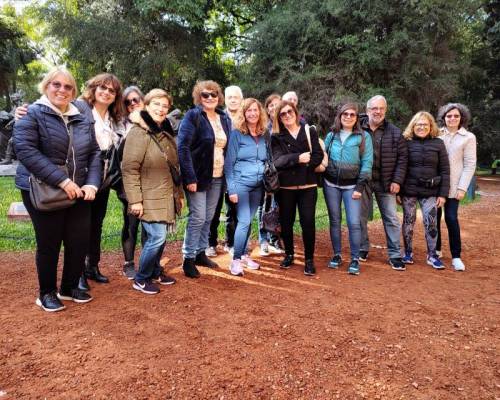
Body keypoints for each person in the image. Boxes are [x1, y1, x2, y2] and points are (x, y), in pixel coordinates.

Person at [13, 67, 101, 311]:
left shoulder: (82, 116)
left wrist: (92, 182)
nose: (62, 90)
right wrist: (63, 181)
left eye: (68, 86)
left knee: (78, 240)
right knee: (50, 242)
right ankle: (47, 292)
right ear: (46, 86)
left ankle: (69, 287)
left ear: (74, 92)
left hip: (80, 189)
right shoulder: (31, 114)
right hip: (44, 188)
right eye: (56, 85)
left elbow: (94, 152)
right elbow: (26, 151)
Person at [122, 89, 183, 294]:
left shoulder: (164, 131)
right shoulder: (139, 132)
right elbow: (130, 169)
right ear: (146, 106)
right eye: (156, 104)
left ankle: (155, 271)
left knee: (159, 237)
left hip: (166, 194)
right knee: (157, 236)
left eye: (165, 106)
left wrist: (179, 195)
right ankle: (141, 278)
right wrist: (135, 200)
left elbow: (174, 166)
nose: (161, 109)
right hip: (147, 196)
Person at [177, 80, 231, 278]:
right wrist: (189, 177)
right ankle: (188, 258)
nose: (210, 98)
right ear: (199, 97)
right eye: (205, 95)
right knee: (198, 217)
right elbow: (182, 147)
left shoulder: (223, 118)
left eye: (214, 94)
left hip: (217, 176)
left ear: (219, 97)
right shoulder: (193, 116)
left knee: (209, 217)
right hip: (197, 177)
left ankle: (200, 253)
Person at [78, 73, 125, 288]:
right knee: (80, 225)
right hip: (83, 175)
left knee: (96, 223)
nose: (106, 92)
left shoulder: (114, 118)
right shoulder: (80, 109)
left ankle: (92, 266)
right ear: (94, 89)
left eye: (111, 90)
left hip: (104, 177)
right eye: (102, 88)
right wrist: (23, 112)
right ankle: (76, 272)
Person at [271, 100, 323, 275]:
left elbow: (317, 155)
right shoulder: (276, 137)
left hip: (308, 185)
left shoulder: (310, 131)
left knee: (308, 222)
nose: (287, 115)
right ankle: (289, 254)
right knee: (286, 223)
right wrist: (298, 158)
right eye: (283, 114)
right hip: (286, 189)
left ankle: (309, 259)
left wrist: (302, 167)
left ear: (296, 112)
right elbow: (277, 161)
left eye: (289, 112)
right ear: (279, 117)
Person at [323, 103, 373, 275]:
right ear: (340, 116)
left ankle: (354, 258)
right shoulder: (331, 135)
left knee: (354, 222)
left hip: (352, 187)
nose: (349, 117)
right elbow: (323, 157)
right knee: (335, 221)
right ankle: (337, 255)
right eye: (345, 114)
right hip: (331, 185)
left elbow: (367, 164)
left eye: (352, 114)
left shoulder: (363, 137)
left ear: (356, 118)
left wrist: (360, 186)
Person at [359, 95, 408, 271]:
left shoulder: (395, 132)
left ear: (385, 110)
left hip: (386, 182)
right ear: (367, 110)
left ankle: (395, 255)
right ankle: (362, 248)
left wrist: (397, 180)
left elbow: (403, 159)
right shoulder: (357, 128)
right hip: (363, 181)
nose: (377, 111)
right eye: (374, 108)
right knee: (360, 217)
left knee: (391, 218)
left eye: (381, 108)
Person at [400, 112, 450, 269]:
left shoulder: (438, 143)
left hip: (430, 191)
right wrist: (399, 192)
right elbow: (401, 167)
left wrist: (443, 193)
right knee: (408, 222)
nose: (421, 127)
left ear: (431, 126)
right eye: (418, 124)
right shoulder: (406, 143)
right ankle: (407, 252)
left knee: (432, 223)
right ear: (413, 126)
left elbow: (445, 170)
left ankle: (432, 255)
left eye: (425, 125)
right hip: (409, 190)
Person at [224, 98, 268, 276]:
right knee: (243, 221)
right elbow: (229, 164)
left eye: (255, 110)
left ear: (260, 112)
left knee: (248, 220)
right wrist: (232, 189)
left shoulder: (264, 134)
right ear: (243, 113)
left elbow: (267, 158)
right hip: (241, 184)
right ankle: (235, 260)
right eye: (248, 110)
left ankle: (243, 254)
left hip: (258, 185)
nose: (252, 113)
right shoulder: (237, 134)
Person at [436, 103, 477, 271]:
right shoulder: (437, 134)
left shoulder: (468, 137)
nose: (452, 118)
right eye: (449, 116)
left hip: (454, 187)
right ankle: (436, 250)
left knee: (451, 218)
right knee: (434, 220)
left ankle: (456, 256)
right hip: (436, 186)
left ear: (462, 118)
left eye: (456, 116)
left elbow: (470, 164)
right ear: (444, 118)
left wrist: (462, 188)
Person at [206, 85, 242, 257]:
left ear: (241, 99)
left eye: (236, 97)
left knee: (234, 209)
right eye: (230, 97)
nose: (233, 100)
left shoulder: (246, 118)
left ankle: (232, 242)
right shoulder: (218, 117)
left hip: (238, 172)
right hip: (218, 170)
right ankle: (210, 242)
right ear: (224, 99)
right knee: (214, 207)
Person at [116, 86, 146, 279]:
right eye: (128, 102)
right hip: (129, 182)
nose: (133, 104)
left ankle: (148, 259)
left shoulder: (154, 121)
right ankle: (128, 263)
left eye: (136, 100)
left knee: (150, 224)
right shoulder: (121, 125)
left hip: (151, 182)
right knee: (131, 222)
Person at [258, 93, 284, 256]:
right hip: (268, 174)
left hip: (283, 174)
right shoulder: (264, 128)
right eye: (271, 105)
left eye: (277, 104)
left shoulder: (285, 126)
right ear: (267, 109)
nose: (274, 107)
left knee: (278, 208)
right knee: (265, 207)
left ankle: (275, 238)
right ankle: (263, 241)